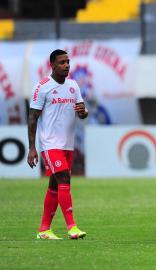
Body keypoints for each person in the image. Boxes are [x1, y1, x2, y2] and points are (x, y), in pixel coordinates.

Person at [27, 49, 88, 240]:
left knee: (55, 185)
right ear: (52, 65)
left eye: (68, 62)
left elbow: (82, 112)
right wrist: (32, 147)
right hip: (50, 143)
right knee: (64, 179)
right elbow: (32, 118)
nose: (66, 65)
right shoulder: (42, 86)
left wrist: (83, 111)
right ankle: (72, 227)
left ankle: (44, 229)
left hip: (67, 145)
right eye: (62, 62)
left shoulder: (73, 85)